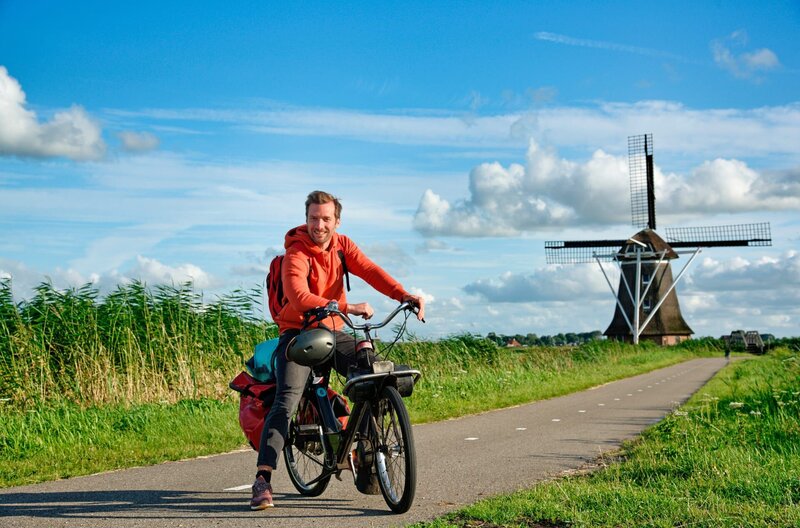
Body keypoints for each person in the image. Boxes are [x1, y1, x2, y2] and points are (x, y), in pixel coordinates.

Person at [250, 190, 425, 510]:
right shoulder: (297, 252)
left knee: (373, 372)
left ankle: (369, 458)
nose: (319, 225)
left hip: (333, 330)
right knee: (286, 399)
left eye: (326, 219)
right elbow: (298, 294)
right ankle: (263, 479)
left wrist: (405, 296)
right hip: (299, 334)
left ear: (337, 221)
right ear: (306, 219)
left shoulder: (343, 246)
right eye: (314, 218)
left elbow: (371, 271)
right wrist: (349, 306)